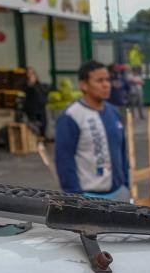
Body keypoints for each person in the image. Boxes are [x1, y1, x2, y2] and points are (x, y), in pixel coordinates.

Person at [54, 60, 130, 201]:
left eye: (107, 79)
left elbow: (122, 152)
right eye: (99, 80)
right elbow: (64, 162)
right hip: (89, 198)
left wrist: (126, 185)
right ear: (83, 85)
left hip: (120, 194)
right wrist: (76, 199)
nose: (106, 85)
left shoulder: (114, 112)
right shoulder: (71, 117)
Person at [22, 66, 48, 137]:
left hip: (41, 110)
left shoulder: (39, 85)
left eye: (33, 73)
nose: (31, 76)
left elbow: (43, 95)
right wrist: (30, 84)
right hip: (32, 113)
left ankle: (41, 142)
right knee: (35, 130)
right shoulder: (27, 86)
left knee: (43, 127)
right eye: (29, 74)